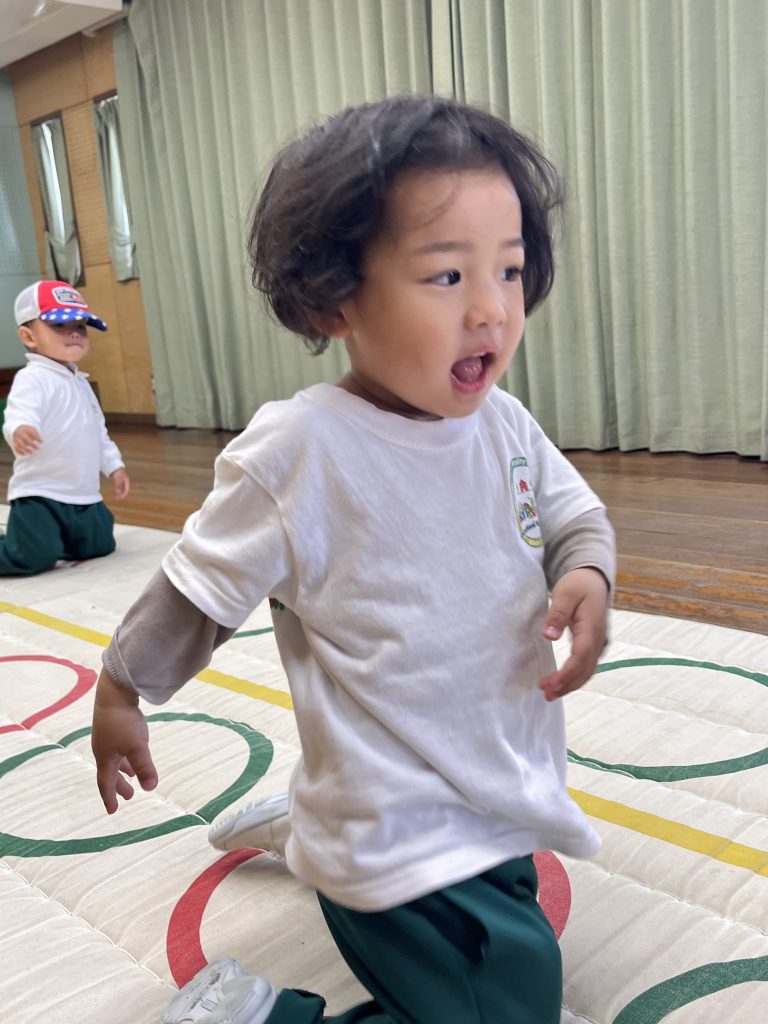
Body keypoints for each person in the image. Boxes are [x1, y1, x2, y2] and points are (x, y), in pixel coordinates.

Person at [91, 95, 616, 1024]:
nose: (492, 309)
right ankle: (256, 1009)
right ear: (335, 295)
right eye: (447, 275)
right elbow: (197, 589)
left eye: (509, 269)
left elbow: (575, 515)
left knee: (504, 962)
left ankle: (303, 824)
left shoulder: (503, 424)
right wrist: (121, 691)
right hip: (392, 822)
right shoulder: (303, 451)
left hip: (496, 782)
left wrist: (585, 574)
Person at [1, 281, 129, 576]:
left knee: (100, 545)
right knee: (31, 558)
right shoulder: (33, 378)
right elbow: (18, 413)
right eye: (59, 325)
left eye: (80, 327)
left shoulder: (81, 383)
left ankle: (51, 536)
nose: (74, 333)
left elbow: (98, 431)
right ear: (28, 336)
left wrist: (115, 466)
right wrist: (20, 429)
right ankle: (27, 540)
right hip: (41, 493)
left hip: (84, 493)